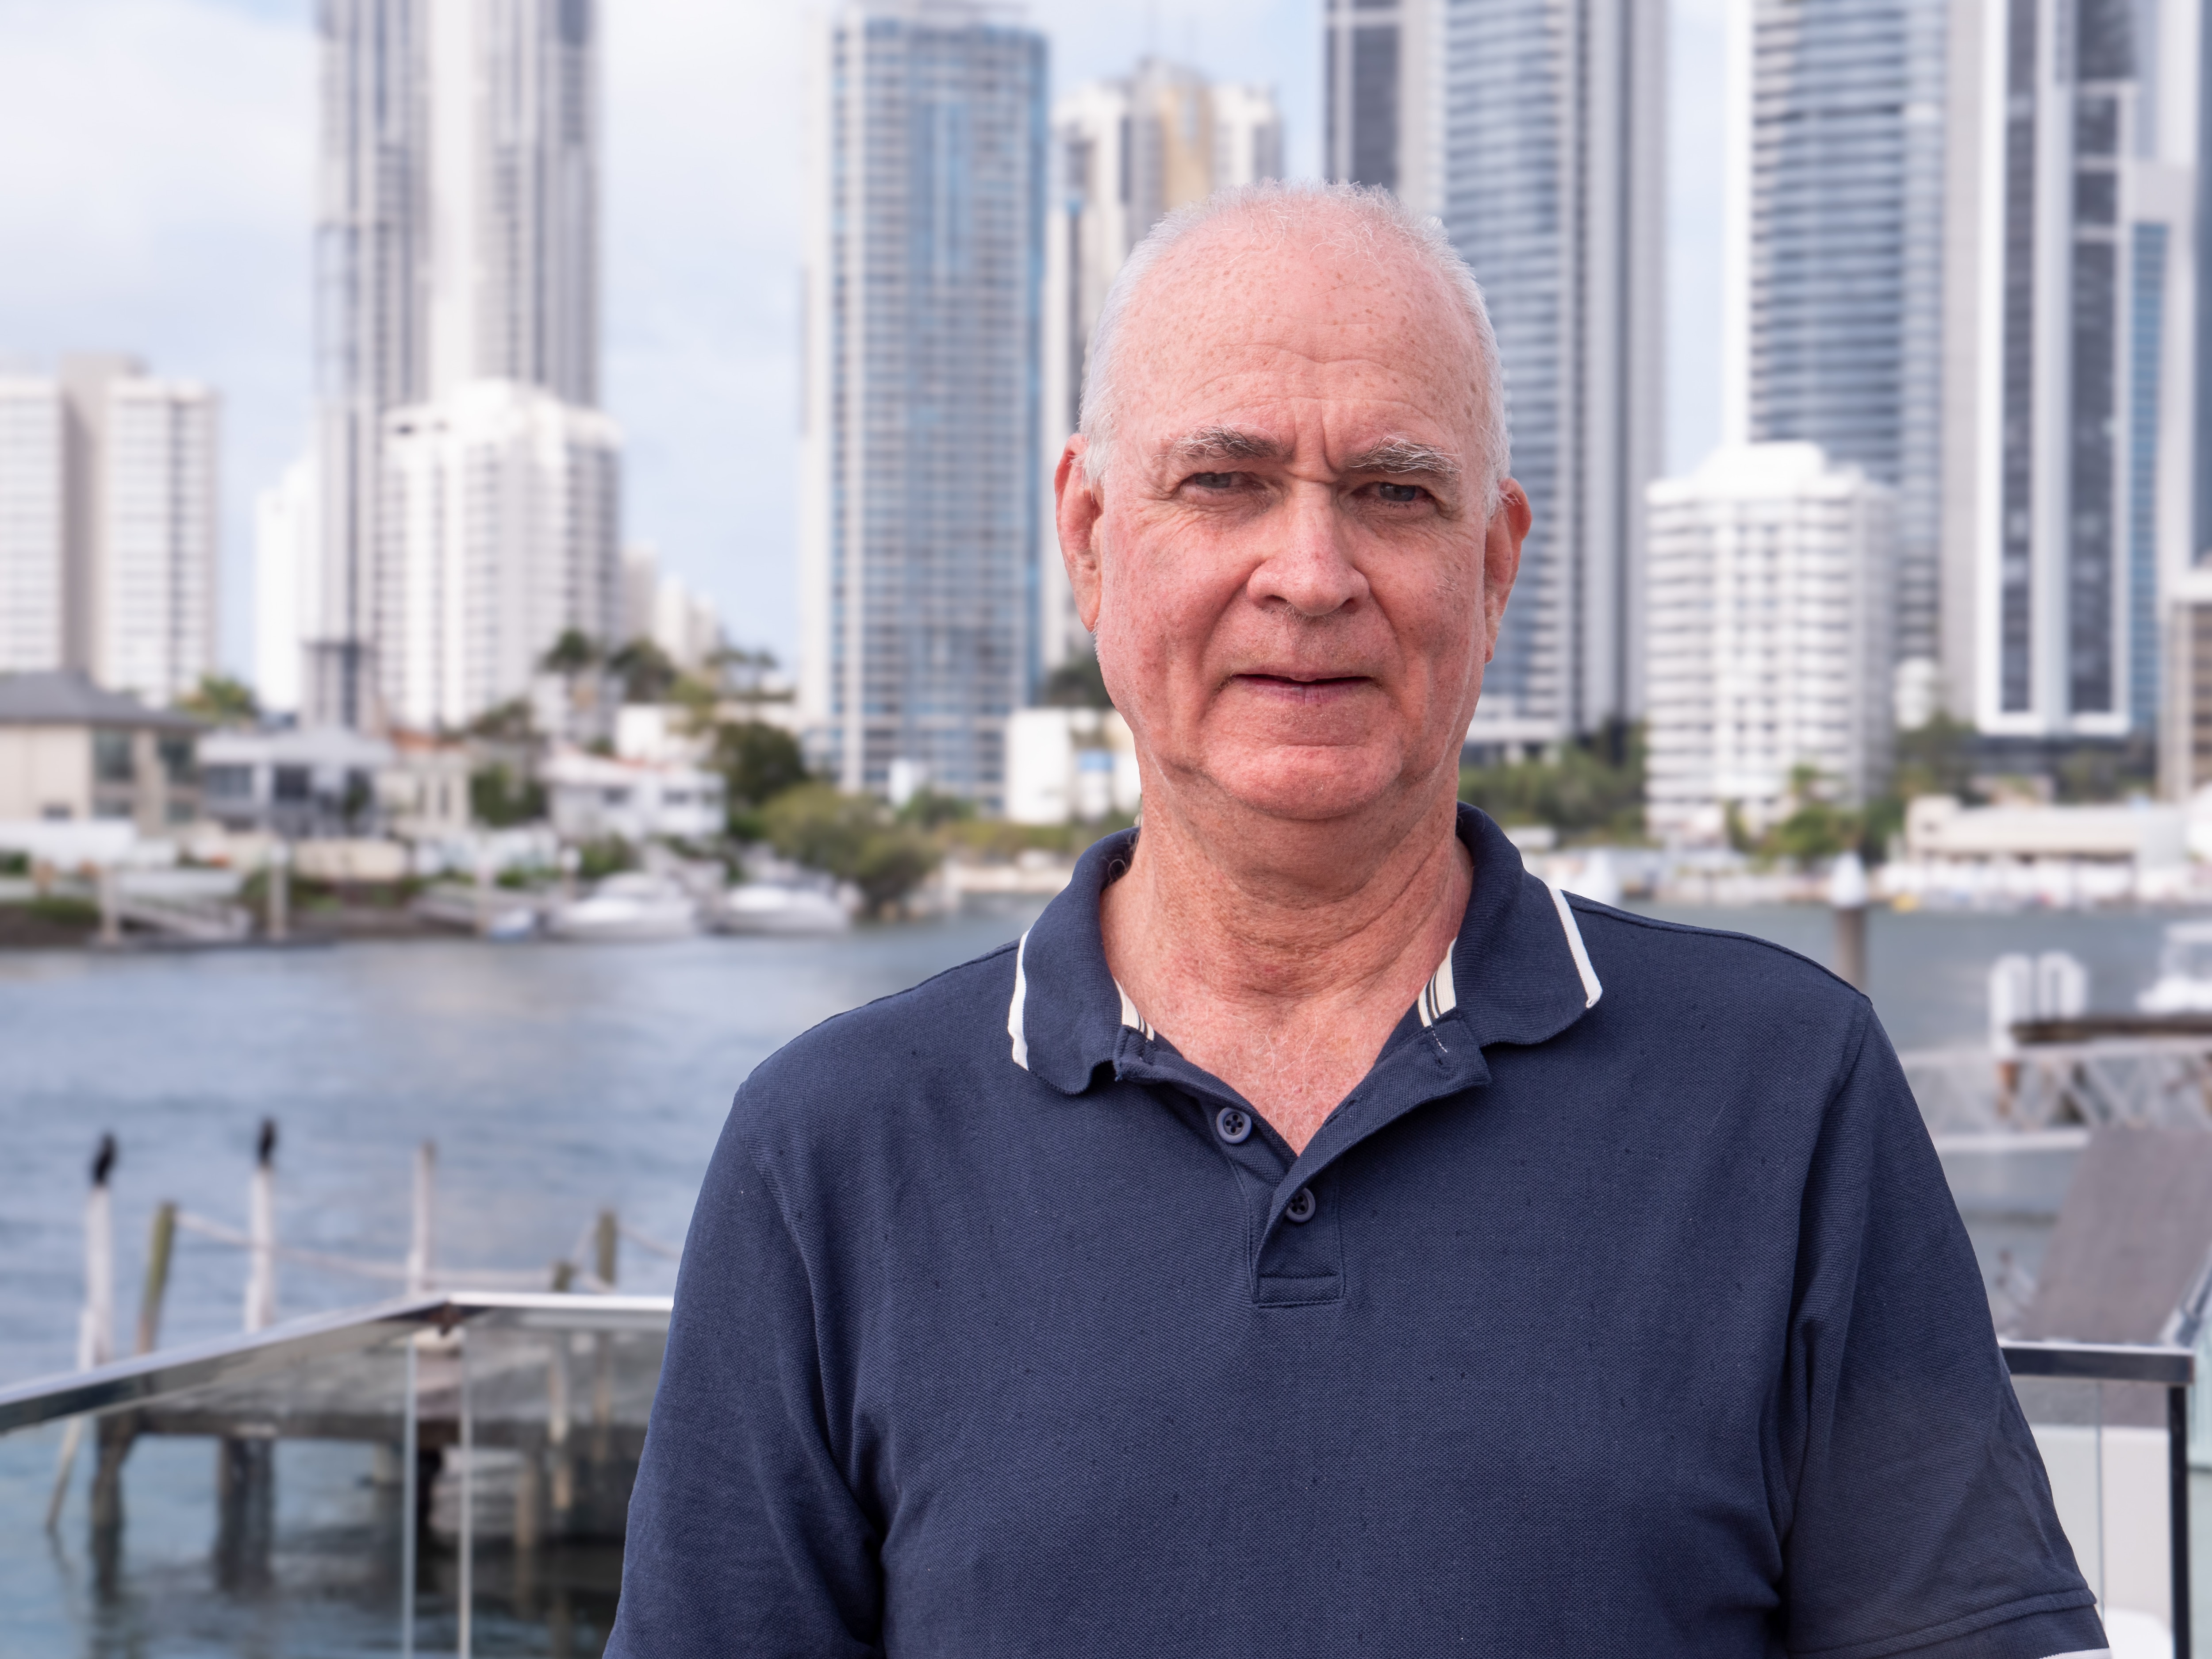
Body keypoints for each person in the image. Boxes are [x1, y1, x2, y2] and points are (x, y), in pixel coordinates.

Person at [607, 183, 2105, 1658]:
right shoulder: (830, 1149)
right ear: (1090, 536)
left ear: (1494, 564)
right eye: (1225, 481)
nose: (1312, 577)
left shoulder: (1787, 1092)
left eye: (1394, 493)